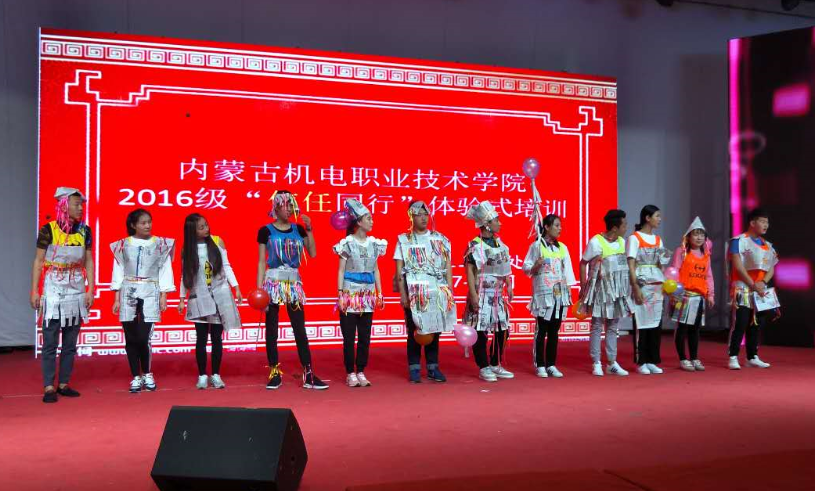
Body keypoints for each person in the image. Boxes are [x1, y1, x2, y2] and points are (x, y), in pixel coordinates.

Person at [257, 190, 327, 389]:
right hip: (273, 284)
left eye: (291, 205)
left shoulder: (299, 229)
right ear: (276, 206)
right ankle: (274, 373)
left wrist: (310, 229)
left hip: (293, 284)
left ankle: (309, 373)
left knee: (299, 328)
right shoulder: (266, 231)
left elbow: (312, 253)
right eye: (285, 205)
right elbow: (261, 262)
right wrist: (259, 290)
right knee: (272, 329)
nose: (289, 209)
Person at [31, 187, 94, 403]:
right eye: (77, 204)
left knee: (70, 341)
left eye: (81, 205)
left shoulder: (85, 231)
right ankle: (49, 386)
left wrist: (91, 289)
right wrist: (34, 290)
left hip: (76, 287)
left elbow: (89, 261)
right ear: (64, 206)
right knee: (50, 340)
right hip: (54, 288)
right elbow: (39, 261)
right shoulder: (48, 230)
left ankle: (64, 383)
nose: (80, 208)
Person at [110, 209, 175, 393]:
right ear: (133, 225)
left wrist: (164, 295)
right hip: (128, 291)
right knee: (130, 337)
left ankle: (147, 372)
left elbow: (165, 269)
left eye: (149, 222)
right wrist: (116, 298)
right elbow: (118, 271)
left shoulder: (161, 244)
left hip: (150, 291)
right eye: (143, 223)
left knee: (143, 337)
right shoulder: (122, 245)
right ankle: (135, 376)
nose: (147, 226)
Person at [394, 201, 456, 383]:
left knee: (435, 328)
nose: (423, 218)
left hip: (436, 291)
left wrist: (449, 291)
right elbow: (399, 270)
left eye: (425, 214)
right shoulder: (404, 240)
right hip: (414, 293)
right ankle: (414, 368)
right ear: (411, 217)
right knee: (415, 330)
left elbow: (447, 266)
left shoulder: (440, 239)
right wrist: (403, 294)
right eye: (419, 214)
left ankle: (432, 367)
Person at [178, 213, 242, 389]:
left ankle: (216, 375)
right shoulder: (187, 249)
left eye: (206, 225)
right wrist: (182, 299)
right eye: (201, 227)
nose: (206, 229)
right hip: (199, 297)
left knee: (216, 338)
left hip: (219, 296)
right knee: (201, 338)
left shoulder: (217, 241)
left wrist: (236, 287)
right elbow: (185, 275)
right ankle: (202, 376)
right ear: (192, 231)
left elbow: (226, 266)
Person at [333, 199, 387, 387]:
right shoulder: (347, 244)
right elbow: (341, 270)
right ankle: (350, 372)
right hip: (350, 294)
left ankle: (361, 370)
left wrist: (379, 292)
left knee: (365, 336)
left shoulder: (374, 244)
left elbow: (376, 270)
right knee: (349, 337)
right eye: (368, 218)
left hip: (367, 296)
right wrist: (340, 294)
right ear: (358, 222)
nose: (372, 221)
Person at [463, 201, 514, 382]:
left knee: (503, 329)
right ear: (486, 224)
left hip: (498, 294)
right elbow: (470, 271)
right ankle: (483, 366)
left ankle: (495, 362)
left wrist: (509, 284)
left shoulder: (501, 244)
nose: (500, 223)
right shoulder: (475, 245)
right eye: (496, 220)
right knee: (481, 329)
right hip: (482, 293)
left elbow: (505, 268)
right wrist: (473, 295)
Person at [578, 209, 631, 376]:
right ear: (614, 228)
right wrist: (583, 286)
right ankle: (596, 362)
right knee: (597, 325)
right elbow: (583, 263)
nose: (626, 228)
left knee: (613, 326)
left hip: (616, 292)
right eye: (624, 225)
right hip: (600, 290)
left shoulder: (622, 242)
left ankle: (612, 362)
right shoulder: (596, 242)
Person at [522, 214, 575, 378]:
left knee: (554, 331)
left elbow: (568, 271)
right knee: (541, 330)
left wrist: (568, 292)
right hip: (543, 296)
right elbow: (526, 268)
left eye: (560, 225)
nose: (560, 229)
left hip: (559, 295)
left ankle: (551, 364)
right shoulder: (536, 247)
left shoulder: (562, 248)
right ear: (546, 227)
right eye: (557, 225)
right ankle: (540, 365)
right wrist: (535, 266)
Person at [727, 208, 778, 370]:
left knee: (756, 324)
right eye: (762, 221)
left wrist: (762, 282)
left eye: (767, 222)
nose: (766, 225)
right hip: (743, 288)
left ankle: (752, 356)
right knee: (740, 322)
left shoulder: (768, 246)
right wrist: (752, 284)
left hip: (760, 290)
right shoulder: (739, 241)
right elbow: (738, 265)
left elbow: (771, 268)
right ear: (752, 223)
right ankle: (733, 356)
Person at [627, 205, 671, 375]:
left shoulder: (658, 239)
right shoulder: (634, 238)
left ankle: (653, 360)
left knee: (656, 322)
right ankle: (641, 361)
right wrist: (635, 287)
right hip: (642, 282)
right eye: (657, 216)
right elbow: (631, 264)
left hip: (657, 283)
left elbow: (660, 264)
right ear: (647, 218)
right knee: (642, 322)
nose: (659, 219)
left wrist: (665, 281)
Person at [670, 217, 714, 372]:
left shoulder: (706, 255)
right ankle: (683, 358)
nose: (699, 237)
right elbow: (674, 272)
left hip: (699, 297)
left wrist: (710, 294)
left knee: (695, 329)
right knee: (682, 328)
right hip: (684, 296)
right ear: (688, 237)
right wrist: (675, 293)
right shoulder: (681, 252)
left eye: (702, 234)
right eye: (695, 234)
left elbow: (708, 276)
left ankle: (694, 357)